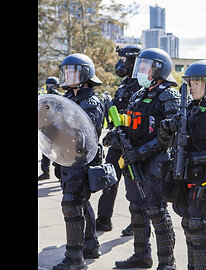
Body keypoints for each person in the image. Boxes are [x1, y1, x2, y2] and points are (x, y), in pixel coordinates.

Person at [158, 60, 206, 270]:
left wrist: (193, 159)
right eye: (190, 83)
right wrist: (166, 127)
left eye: (196, 83)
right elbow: (167, 137)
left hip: (203, 178)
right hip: (182, 176)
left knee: (198, 227)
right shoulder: (188, 109)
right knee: (187, 224)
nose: (192, 87)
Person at [113, 48, 180, 269]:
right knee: (136, 209)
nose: (140, 70)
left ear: (159, 70)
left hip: (155, 162)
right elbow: (129, 122)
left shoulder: (168, 95)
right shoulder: (138, 94)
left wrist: (140, 152)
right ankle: (141, 255)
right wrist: (116, 135)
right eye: (139, 66)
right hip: (133, 161)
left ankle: (166, 262)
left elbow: (171, 134)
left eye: (145, 67)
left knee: (157, 211)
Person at [53, 53, 105, 270]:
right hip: (67, 160)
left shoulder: (91, 101)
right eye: (66, 71)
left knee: (71, 203)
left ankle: (74, 258)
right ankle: (90, 245)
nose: (67, 75)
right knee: (81, 203)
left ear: (85, 74)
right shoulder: (68, 99)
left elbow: (87, 134)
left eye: (72, 71)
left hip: (81, 161)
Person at [98, 44, 143, 233]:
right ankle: (103, 219)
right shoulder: (124, 83)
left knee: (133, 184)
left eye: (123, 59)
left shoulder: (141, 84)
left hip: (132, 142)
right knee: (109, 178)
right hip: (118, 139)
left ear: (133, 60)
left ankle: (137, 222)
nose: (120, 63)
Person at [38, 76, 61, 181]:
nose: (50, 88)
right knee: (46, 151)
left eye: (53, 85)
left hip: (59, 128)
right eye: (49, 85)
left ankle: (63, 175)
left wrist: (55, 94)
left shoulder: (61, 97)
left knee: (61, 152)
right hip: (47, 127)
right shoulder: (45, 98)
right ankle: (45, 172)